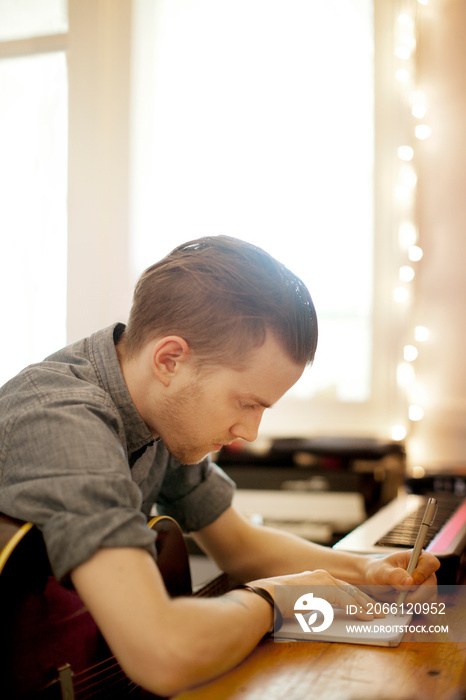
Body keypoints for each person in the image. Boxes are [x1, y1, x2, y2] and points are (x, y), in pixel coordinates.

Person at [0, 236, 439, 696]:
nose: (250, 432)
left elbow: (240, 546)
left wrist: (365, 573)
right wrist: (276, 601)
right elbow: (162, 652)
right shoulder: (59, 421)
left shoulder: (157, 411)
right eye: (246, 403)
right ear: (170, 360)